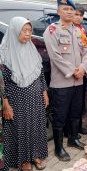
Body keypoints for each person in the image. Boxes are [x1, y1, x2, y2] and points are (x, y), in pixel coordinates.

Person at [43, 0, 87, 161]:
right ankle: (59, 148)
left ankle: (73, 138)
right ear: (58, 11)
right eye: (65, 9)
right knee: (60, 116)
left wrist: (83, 68)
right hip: (62, 83)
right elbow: (55, 57)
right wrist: (73, 71)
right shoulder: (52, 31)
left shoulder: (78, 31)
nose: (69, 12)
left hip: (78, 81)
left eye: (72, 10)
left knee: (75, 112)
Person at [1, 17, 48, 171]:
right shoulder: (4, 54)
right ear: (15, 31)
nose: (28, 34)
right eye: (24, 30)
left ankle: (35, 154)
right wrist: (5, 104)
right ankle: (23, 160)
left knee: (36, 126)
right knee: (20, 130)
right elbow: (1, 82)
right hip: (16, 101)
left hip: (35, 99)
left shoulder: (32, 49)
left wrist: (44, 92)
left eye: (30, 31)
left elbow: (40, 73)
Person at [72, 4, 87, 135]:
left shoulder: (82, 30)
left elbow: (85, 50)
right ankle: (70, 130)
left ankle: (77, 127)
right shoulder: (68, 29)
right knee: (70, 104)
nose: (78, 17)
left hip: (82, 70)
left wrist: (83, 68)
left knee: (80, 102)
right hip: (71, 70)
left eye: (80, 15)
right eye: (76, 14)